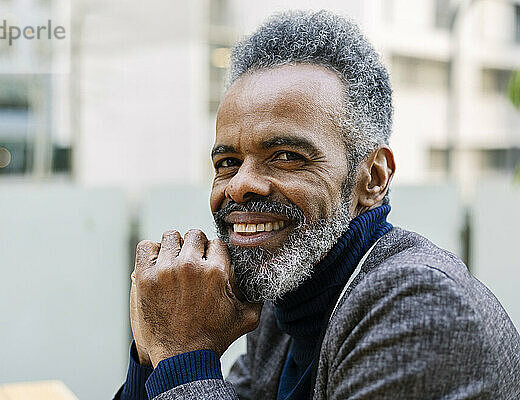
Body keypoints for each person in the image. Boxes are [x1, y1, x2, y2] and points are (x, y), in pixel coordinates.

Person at [114, 10, 520, 400]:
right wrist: (154, 355)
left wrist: (184, 354)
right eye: (227, 163)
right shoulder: (287, 302)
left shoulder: (421, 308)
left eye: (287, 155)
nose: (240, 186)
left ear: (373, 178)